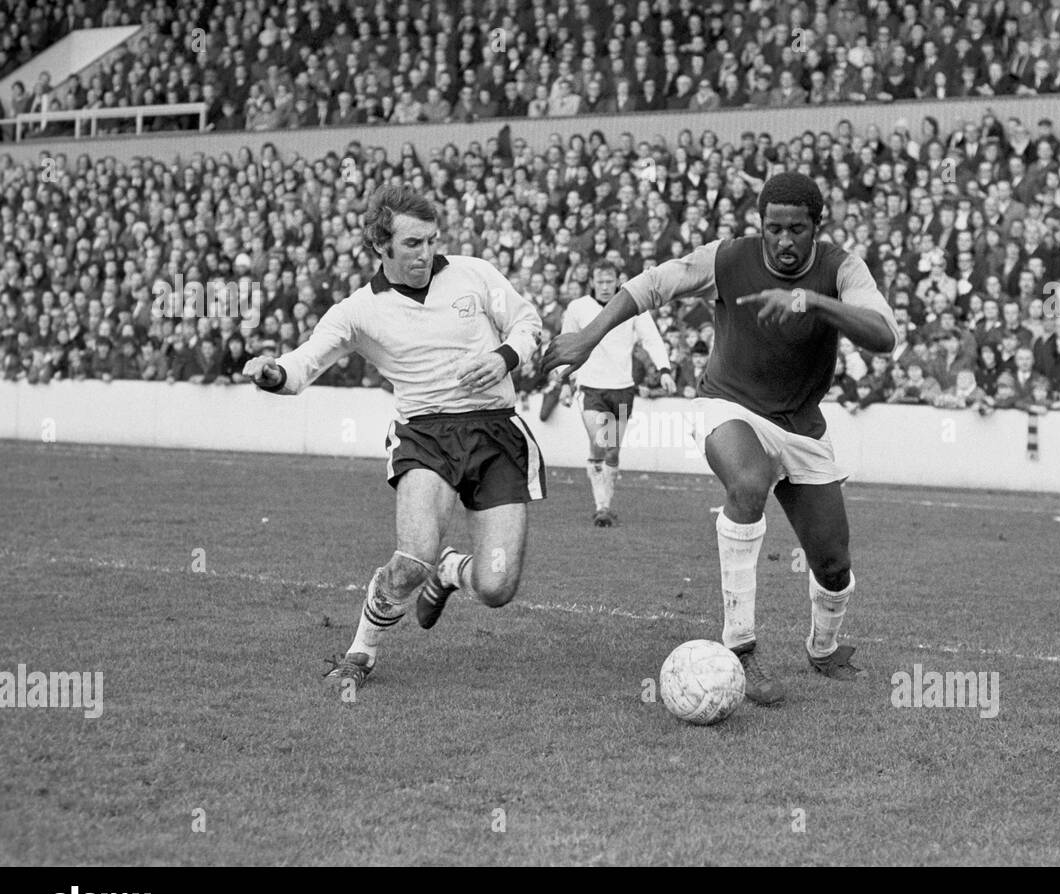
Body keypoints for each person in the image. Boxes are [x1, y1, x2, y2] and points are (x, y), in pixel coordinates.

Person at [541, 172, 900, 705]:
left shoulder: (841, 267)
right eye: (773, 228)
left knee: (832, 563)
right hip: (728, 404)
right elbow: (651, 284)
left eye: (796, 229)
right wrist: (590, 338)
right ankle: (742, 644)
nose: (783, 240)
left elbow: (884, 335)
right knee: (748, 484)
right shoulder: (727, 259)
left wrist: (814, 302)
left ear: (816, 228)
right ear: (760, 225)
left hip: (802, 426)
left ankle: (823, 650)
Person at [242, 185, 546, 696]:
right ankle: (361, 651)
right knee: (410, 561)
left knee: (497, 588)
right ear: (380, 246)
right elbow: (304, 364)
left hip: (496, 432)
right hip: (426, 436)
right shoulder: (359, 310)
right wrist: (273, 372)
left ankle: (451, 571)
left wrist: (504, 358)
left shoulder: (473, 273)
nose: (424, 253)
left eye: (430, 241)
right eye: (411, 244)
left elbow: (527, 322)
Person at [559, 260, 675, 526]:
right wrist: (564, 381)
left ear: (617, 280)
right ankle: (600, 506)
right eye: (599, 281)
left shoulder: (632, 306)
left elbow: (652, 339)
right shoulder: (578, 308)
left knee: (611, 450)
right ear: (591, 282)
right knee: (601, 439)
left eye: (608, 281)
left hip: (622, 390)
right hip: (591, 387)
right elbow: (566, 344)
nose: (603, 286)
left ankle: (605, 505)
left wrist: (665, 369)